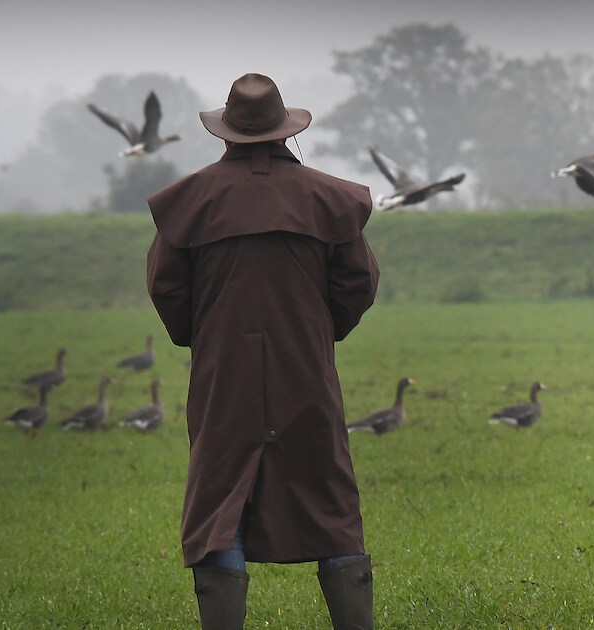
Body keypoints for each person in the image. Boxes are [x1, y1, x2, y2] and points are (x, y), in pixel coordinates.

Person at [146, 73, 379, 630]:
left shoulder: (191, 201)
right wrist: (317, 333)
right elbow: (357, 284)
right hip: (308, 372)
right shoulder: (331, 200)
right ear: (284, 131)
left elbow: (167, 289)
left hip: (223, 375)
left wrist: (205, 335)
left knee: (218, 498)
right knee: (331, 498)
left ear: (226, 133)